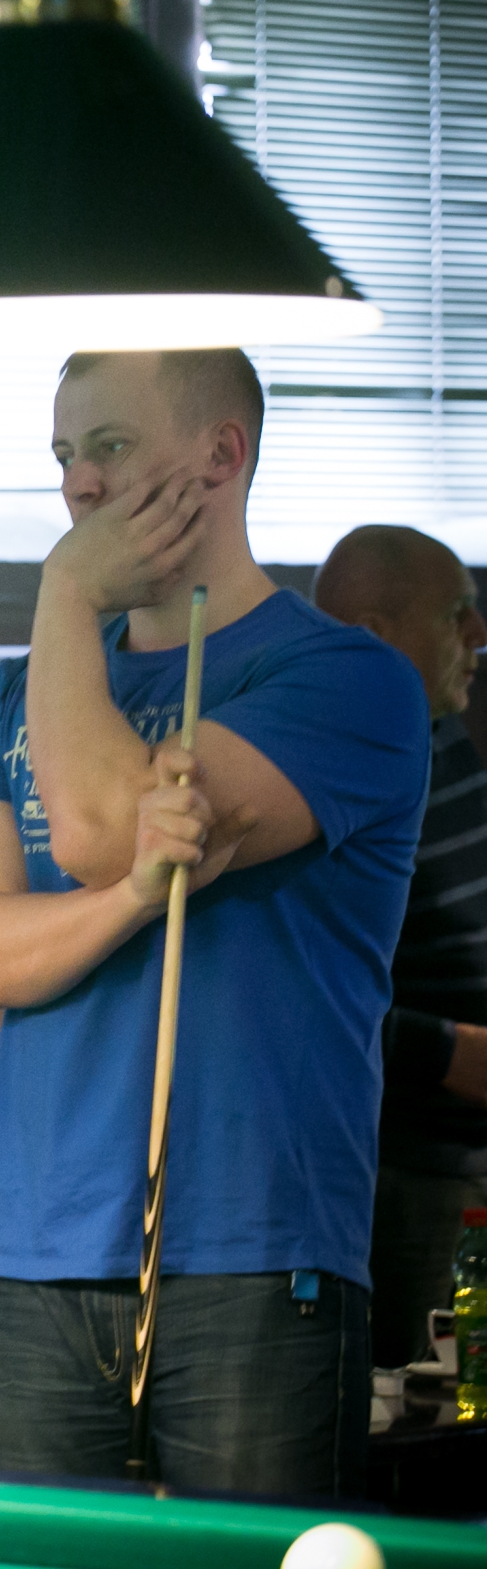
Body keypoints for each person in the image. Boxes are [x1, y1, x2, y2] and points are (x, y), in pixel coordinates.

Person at [0, 348, 430, 1495]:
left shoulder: (348, 681)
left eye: (110, 446)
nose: (79, 485)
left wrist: (67, 592)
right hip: (40, 1255)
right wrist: (136, 897)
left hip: (256, 1252)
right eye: (65, 455)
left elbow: (97, 825)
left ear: (222, 453)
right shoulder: (10, 699)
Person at [312, 524, 487, 1369]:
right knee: (448, 1411)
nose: (478, 634)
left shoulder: (442, 737)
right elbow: (299, 994)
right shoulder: (328, 780)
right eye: (457, 613)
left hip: (469, 1167)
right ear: (377, 639)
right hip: (420, 1181)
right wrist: (448, 1050)